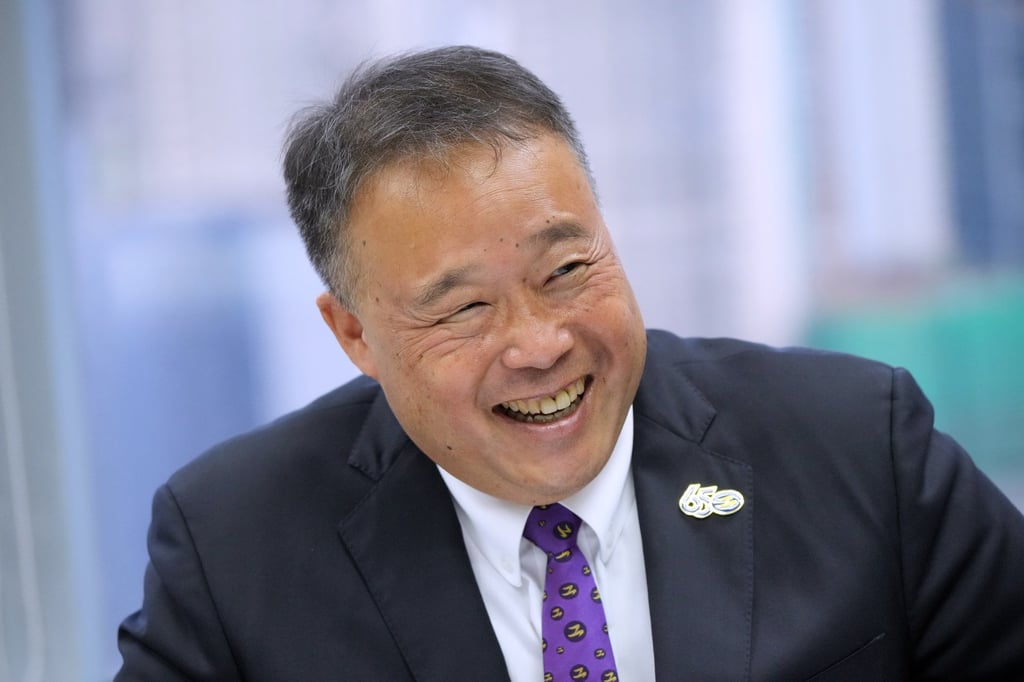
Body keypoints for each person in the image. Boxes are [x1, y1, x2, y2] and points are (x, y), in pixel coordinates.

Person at [116, 45, 1024, 681]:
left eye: (566, 270)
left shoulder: (857, 445)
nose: (541, 343)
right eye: (465, 309)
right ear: (353, 335)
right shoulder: (234, 549)